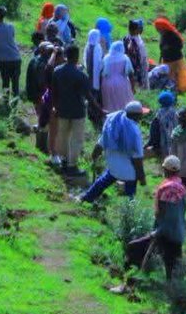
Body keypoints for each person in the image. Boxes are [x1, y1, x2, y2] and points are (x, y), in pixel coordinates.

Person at [80, 101, 148, 201]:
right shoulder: (134, 131)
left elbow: (99, 146)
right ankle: (130, 209)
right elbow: (137, 159)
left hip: (113, 168)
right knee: (131, 192)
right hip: (129, 174)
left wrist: (94, 156)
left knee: (102, 181)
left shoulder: (113, 125)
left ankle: (87, 198)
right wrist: (141, 177)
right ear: (137, 116)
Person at [52, 45, 100, 175]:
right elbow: (88, 96)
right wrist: (98, 109)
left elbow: (53, 91)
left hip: (61, 109)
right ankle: (72, 166)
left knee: (62, 136)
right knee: (76, 138)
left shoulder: (57, 71)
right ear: (76, 56)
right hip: (77, 111)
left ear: (66, 55)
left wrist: (55, 106)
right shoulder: (81, 75)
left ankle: (63, 161)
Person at [153, 156, 186, 279]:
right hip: (178, 230)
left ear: (166, 170)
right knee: (176, 259)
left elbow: (159, 212)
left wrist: (158, 228)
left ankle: (166, 282)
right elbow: (183, 210)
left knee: (164, 257)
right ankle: (178, 284)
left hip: (165, 231)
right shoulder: (182, 189)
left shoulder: (164, 187)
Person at [0, 7, 22, 98]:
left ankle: (5, 102)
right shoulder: (10, 27)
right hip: (16, 58)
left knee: (5, 83)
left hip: (4, 60)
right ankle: (15, 104)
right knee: (15, 84)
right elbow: (12, 37)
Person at [155, 17, 186, 94]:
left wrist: (169, 48)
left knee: (178, 75)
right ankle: (172, 88)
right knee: (170, 76)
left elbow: (180, 45)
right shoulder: (163, 35)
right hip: (167, 59)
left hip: (175, 59)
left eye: (158, 28)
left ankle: (179, 88)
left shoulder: (172, 35)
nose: (157, 30)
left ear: (162, 27)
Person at [100, 41, 135, 113]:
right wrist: (132, 87)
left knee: (109, 104)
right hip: (121, 83)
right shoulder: (125, 58)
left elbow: (102, 72)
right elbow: (130, 74)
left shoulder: (106, 58)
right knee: (123, 103)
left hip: (107, 83)